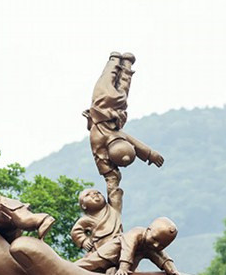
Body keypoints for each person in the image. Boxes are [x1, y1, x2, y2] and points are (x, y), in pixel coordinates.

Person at [85, 52, 165, 192]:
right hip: (113, 109)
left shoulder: (101, 137)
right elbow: (101, 158)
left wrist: (111, 176)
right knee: (119, 84)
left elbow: (102, 160)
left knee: (115, 81)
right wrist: (150, 154)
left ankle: (117, 61)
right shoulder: (113, 136)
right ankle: (121, 61)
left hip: (104, 104)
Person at [74, 217, 181, 275]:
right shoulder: (136, 233)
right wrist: (123, 268)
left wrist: (173, 271)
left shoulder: (151, 246)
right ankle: (66, 268)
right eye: (154, 239)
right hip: (109, 255)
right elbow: (127, 249)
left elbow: (162, 257)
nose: (156, 245)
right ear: (148, 230)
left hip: (121, 266)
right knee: (85, 265)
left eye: (161, 245)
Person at [71, 180, 124, 254]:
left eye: (98, 193)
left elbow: (113, 191)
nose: (95, 194)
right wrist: (84, 241)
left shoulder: (113, 209)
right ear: (84, 206)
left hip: (118, 242)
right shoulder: (86, 219)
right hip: (100, 247)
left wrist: (111, 178)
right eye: (87, 195)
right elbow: (76, 232)